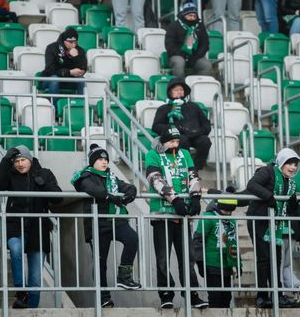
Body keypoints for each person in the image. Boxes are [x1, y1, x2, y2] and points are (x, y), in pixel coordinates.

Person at [145, 125, 208, 309]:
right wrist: (175, 200)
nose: (175, 144)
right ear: (164, 141)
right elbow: (155, 179)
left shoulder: (185, 154)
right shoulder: (153, 155)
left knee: (187, 258)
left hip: (182, 215)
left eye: (177, 141)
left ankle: (192, 294)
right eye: (172, 141)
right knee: (163, 258)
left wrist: (195, 197)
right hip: (162, 214)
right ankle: (166, 295)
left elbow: (193, 176)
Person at [0, 145, 62, 309]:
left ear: (30, 160)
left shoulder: (45, 173)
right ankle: (21, 291)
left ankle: (31, 310)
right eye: (16, 161)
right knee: (15, 249)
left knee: (35, 279)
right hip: (16, 225)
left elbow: (58, 198)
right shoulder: (11, 174)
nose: (20, 164)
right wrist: (5, 161)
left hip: (38, 229)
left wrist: (44, 185)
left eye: (23, 160)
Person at [71, 144, 141, 307]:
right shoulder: (85, 176)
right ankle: (103, 297)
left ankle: (124, 277)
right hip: (98, 224)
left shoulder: (111, 177)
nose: (104, 162)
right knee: (100, 262)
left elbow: (127, 186)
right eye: (100, 160)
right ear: (92, 162)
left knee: (132, 238)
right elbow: (92, 189)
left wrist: (131, 191)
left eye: (106, 160)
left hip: (116, 220)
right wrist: (110, 197)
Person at [236, 147, 300, 309]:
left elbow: (290, 209)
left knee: (276, 259)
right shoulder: (268, 171)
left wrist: (293, 204)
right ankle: (262, 296)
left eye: (295, 164)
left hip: (276, 224)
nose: (293, 167)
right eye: (290, 163)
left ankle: (277, 295)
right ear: (281, 162)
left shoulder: (291, 183)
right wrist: (269, 197)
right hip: (260, 220)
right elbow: (252, 184)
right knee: (264, 258)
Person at [152, 78, 211, 171]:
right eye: (176, 90)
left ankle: (195, 169)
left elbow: (206, 124)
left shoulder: (194, 106)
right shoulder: (164, 108)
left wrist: (198, 131)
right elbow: (156, 126)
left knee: (205, 141)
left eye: (181, 89)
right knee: (182, 140)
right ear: (170, 92)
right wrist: (172, 129)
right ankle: (184, 167)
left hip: (195, 135)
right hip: (177, 136)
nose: (179, 92)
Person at [192, 198, 239, 308]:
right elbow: (198, 241)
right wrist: (200, 263)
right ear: (219, 207)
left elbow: (234, 243)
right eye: (225, 211)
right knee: (215, 296)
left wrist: (237, 263)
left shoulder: (231, 221)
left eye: (230, 212)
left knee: (227, 297)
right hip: (211, 265)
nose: (227, 214)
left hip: (226, 264)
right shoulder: (208, 218)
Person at [164, 2, 212, 79]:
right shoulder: (174, 25)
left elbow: (205, 44)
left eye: (194, 16)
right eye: (190, 15)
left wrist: (196, 55)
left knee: (206, 65)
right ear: (184, 14)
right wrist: (183, 54)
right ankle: (180, 84)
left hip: (195, 55)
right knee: (179, 62)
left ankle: (194, 83)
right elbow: (169, 44)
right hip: (177, 55)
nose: (192, 18)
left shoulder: (200, 26)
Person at [42, 27, 87, 108]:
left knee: (81, 80)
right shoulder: (52, 48)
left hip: (69, 80)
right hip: (51, 79)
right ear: (64, 41)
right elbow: (50, 69)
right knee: (54, 79)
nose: (73, 45)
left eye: (75, 42)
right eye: (70, 42)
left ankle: (80, 108)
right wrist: (69, 72)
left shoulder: (79, 50)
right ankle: (55, 110)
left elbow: (83, 67)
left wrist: (76, 58)